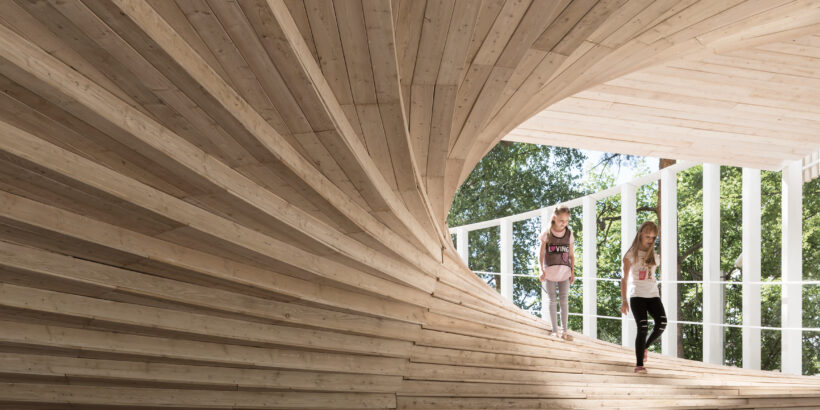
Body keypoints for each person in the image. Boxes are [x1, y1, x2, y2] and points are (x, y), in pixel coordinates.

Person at [620, 221, 666, 374]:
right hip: (637, 296)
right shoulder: (630, 255)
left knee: (662, 323)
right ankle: (639, 365)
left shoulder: (654, 255)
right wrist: (624, 301)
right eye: (648, 237)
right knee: (643, 328)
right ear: (640, 235)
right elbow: (624, 279)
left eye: (653, 238)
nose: (650, 240)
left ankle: (644, 346)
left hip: (653, 295)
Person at [538, 205, 576, 341]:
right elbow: (541, 254)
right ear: (554, 218)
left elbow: (571, 255)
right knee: (552, 301)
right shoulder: (547, 233)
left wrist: (573, 272)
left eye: (566, 221)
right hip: (550, 273)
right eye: (561, 220)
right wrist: (541, 269)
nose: (564, 223)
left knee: (564, 301)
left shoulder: (569, 234)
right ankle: (555, 330)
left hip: (565, 273)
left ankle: (565, 331)